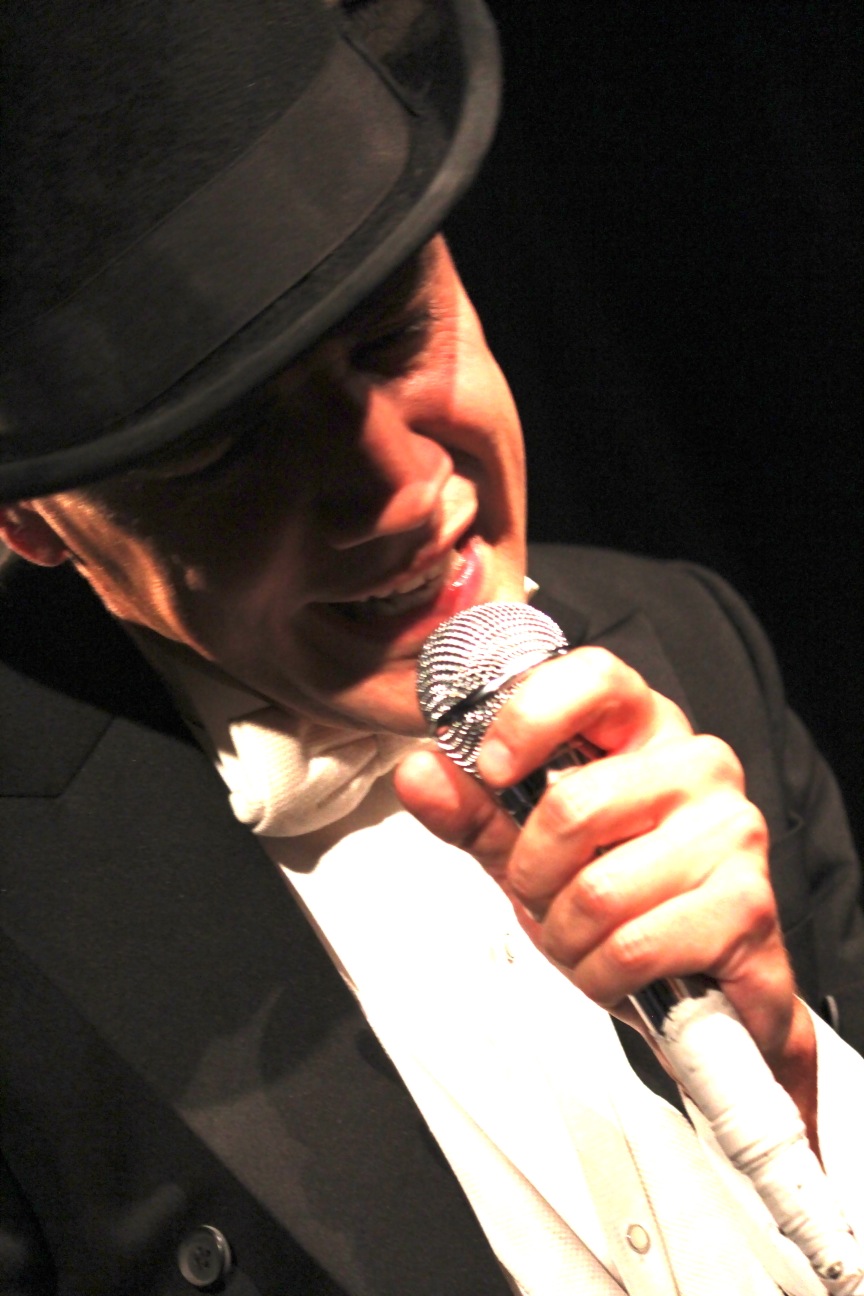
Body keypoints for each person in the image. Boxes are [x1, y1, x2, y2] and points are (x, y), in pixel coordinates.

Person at [0, 1, 862, 1293]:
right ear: (36, 518)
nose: (400, 488)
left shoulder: (690, 637)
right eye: (232, 441)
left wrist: (798, 1076)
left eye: (398, 334)